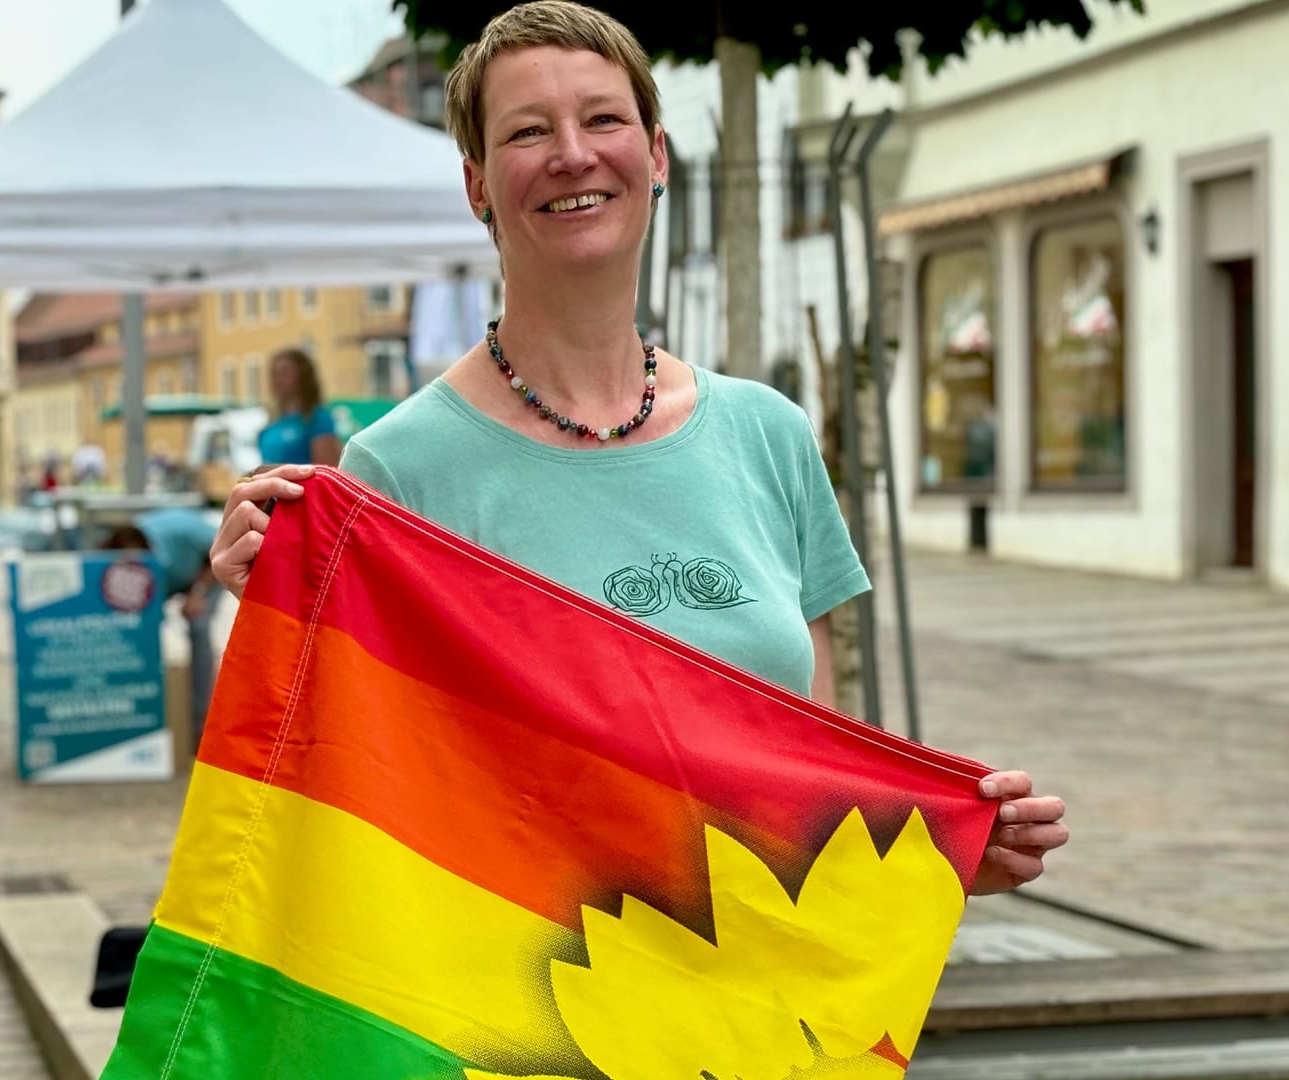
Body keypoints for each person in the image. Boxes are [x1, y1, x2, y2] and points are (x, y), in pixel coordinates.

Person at [210, 1, 1067, 897]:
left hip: (758, 990)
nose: (573, 154)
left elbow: (813, 770)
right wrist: (273, 605)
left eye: (603, 119)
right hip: (536, 1001)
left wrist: (932, 851)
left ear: (655, 157)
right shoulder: (401, 468)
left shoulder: (767, 435)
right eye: (528, 131)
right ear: (477, 185)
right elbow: (368, 780)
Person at [102, 508, 222, 748]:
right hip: (166, 581)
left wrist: (197, 592)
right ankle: (144, 718)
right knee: (140, 633)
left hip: (207, 570)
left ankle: (200, 725)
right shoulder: (119, 553)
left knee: (198, 627)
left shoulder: (183, 531)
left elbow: (225, 552)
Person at [256, 348, 341, 467]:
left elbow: (328, 470)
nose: (278, 380)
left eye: (285, 373)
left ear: (303, 376)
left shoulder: (317, 419)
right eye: (275, 374)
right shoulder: (273, 422)